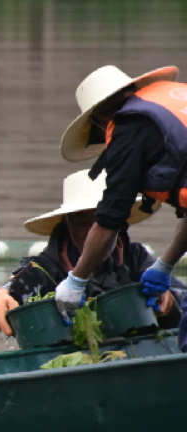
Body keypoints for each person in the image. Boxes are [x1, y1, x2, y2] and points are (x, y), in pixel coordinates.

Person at [53, 65, 187, 327]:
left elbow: (108, 222)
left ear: (98, 119)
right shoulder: (172, 104)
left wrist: (76, 280)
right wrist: (165, 265)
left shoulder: (129, 128)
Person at [0, 170, 183, 336]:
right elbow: (17, 286)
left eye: (101, 223)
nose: (92, 234)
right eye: (81, 222)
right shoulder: (44, 269)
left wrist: (167, 303)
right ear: (67, 223)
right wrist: (3, 295)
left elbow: (181, 301)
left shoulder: (136, 258)